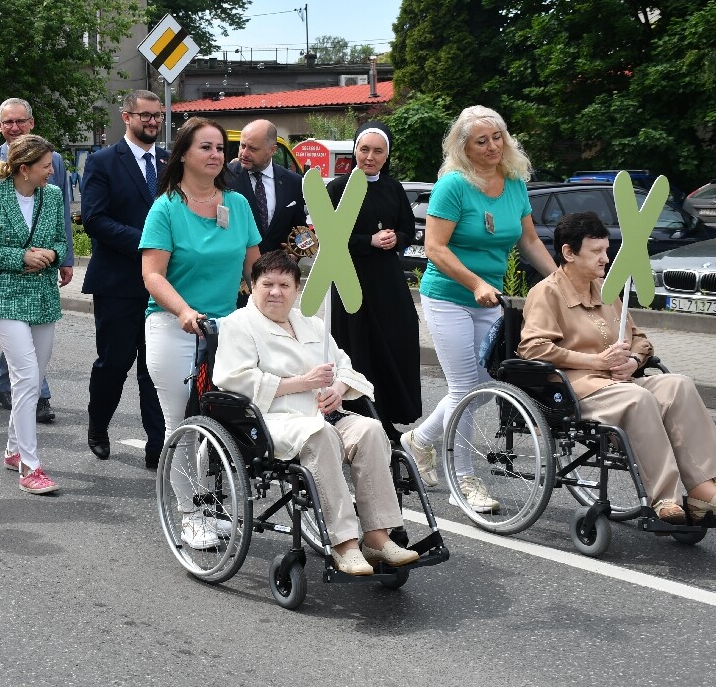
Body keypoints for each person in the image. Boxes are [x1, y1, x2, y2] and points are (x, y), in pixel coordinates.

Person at [213, 250, 420, 570]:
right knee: (320, 433)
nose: (275, 292)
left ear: (297, 289)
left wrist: (339, 390)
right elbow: (235, 380)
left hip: (321, 414)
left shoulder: (311, 325)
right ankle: (344, 543)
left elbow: (346, 369)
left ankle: (378, 538)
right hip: (270, 420)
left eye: (284, 284)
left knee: (370, 429)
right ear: (252, 285)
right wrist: (301, 382)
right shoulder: (237, 325)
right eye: (267, 283)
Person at [400, 106, 556, 511]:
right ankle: (464, 479)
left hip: (492, 299)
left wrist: (559, 281)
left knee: (485, 388)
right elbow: (434, 247)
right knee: (465, 389)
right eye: (480, 141)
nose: (491, 147)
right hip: (449, 295)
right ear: (464, 146)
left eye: (497, 137)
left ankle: (419, 440)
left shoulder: (514, 182)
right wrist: (474, 282)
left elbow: (529, 241)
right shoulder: (453, 185)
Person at [518, 211, 716, 523]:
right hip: (578, 386)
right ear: (568, 253)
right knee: (639, 400)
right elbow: (533, 348)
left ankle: (704, 486)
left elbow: (639, 338)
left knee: (679, 384)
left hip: (619, 380)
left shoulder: (605, 290)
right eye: (596, 251)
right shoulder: (546, 292)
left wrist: (634, 360)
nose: (605, 258)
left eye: (606, 250)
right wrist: (595, 361)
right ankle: (666, 498)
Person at [141, 116, 261, 484]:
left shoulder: (237, 205)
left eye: (220, 148)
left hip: (226, 330)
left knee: (219, 428)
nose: (215, 155)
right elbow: (152, 275)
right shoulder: (165, 208)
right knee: (184, 426)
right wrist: (183, 310)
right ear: (183, 155)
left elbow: (255, 270)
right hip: (174, 326)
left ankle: (210, 506)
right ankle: (190, 513)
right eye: (205, 147)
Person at [0, 133, 68, 494]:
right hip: (6, 296)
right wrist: (20, 257)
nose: (51, 174)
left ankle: (12, 450)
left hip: (43, 296)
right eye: (45, 168)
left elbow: (61, 238)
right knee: (27, 378)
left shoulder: (53, 196)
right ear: (23, 169)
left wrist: (54, 255)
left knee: (33, 375)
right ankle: (31, 465)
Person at [0, 98, 73, 421]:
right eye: (7, 122)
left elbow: (63, 213)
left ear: (31, 123)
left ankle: (3, 384)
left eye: (19, 121)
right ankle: (37, 398)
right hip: (7, 276)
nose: (14, 127)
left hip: (42, 275)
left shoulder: (54, 160)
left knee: (25, 343)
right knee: (24, 351)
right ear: (0, 127)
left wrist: (63, 255)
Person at [80, 89, 169, 466]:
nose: (152, 122)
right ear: (126, 117)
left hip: (164, 283)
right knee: (114, 364)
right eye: (145, 115)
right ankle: (98, 424)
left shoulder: (170, 162)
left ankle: (157, 446)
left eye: (158, 115)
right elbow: (95, 219)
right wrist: (149, 244)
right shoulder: (102, 161)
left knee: (156, 368)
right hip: (118, 283)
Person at [327, 122, 421, 441]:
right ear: (354, 151)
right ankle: (357, 417)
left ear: (387, 155)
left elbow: (408, 228)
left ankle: (389, 416)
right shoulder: (337, 188)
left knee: (396, 340)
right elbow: (329, 238)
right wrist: (369, 240)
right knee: (358, 346)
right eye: (364, 150)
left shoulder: (393, 188)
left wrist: (396, 238)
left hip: (388, 280)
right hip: (351, 276)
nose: (369, 157)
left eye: (377, 151)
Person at [226, 119, 307, 255]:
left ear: (272, 150)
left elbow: (299, 228)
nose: (244, 153)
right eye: (242, 146)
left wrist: (294, 253)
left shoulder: (293, 182)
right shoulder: (223, 177)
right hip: (236, 270)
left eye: (253, 148)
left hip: (278, 270)